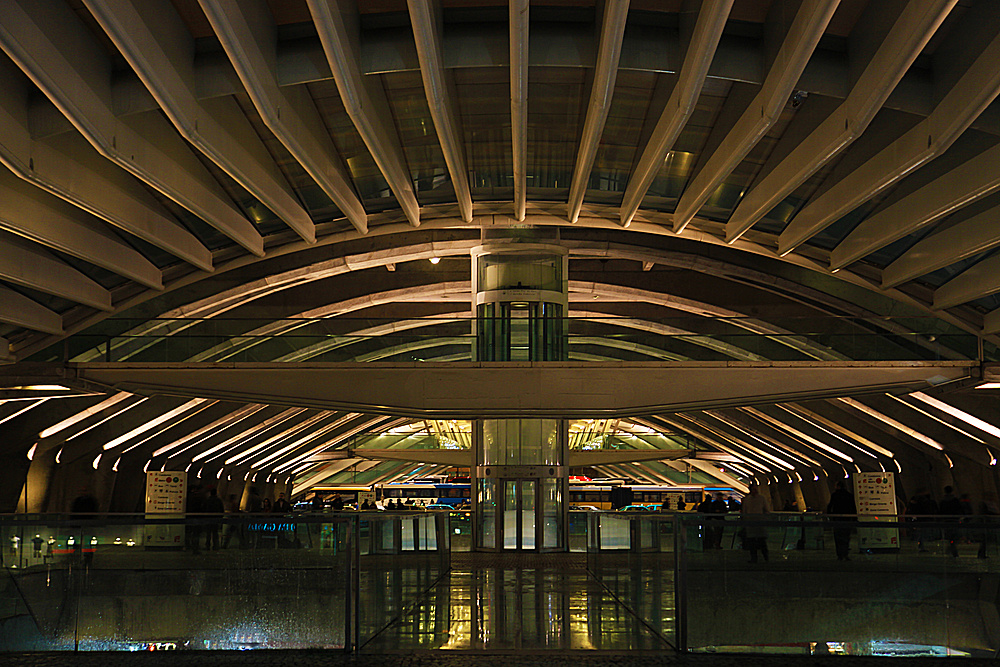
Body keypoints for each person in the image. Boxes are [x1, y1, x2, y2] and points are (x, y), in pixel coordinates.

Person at [826, 480, 857, 561]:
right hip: (847, 519)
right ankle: (845, 553)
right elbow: (853, 508)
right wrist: (854, 519)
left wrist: (830, 517)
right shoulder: (849, 495)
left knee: (838, 537)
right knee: (846, 537)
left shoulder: (835, 495)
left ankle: (839, 554)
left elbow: (830, 507)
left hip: (837, 519)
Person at [740, 485, 770, 563]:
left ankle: (764, 557)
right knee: (753, 542)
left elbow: (766, 510)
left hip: (757, 522)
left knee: (761, 541)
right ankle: (756, 558)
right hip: (753, 523)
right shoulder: (751, 499)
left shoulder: (759, 499)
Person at [939, 485, 966, 557]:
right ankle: (953, 550)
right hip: (954, 520)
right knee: (954, 535)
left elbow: (941, 511)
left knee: (950, 536)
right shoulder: (955, 500)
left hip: (946, 521)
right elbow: (960, 509)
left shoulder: (943, 501)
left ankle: (951, 548)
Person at [203, 487, 225, 551]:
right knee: (215, 533)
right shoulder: (218, 500)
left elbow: (204, 509)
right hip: (216, 518)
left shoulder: (208, 500)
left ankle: (207, 545)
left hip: (208, 518)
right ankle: (215, 546)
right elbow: (222, 510)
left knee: (208, 533)